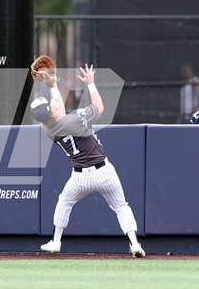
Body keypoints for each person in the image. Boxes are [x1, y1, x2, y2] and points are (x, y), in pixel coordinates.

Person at [30, 56, 145, 258]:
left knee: (64, 201)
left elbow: (56, 108)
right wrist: (91, 84)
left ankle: (56, 242)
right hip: (104, 171)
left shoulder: (48, 128)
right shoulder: (72, 120)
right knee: (121, 206)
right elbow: (99, 108)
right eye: (50, 105)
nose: (54, 104)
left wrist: (52, 86)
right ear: (50, 112)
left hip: (80, 177)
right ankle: (135, 243)